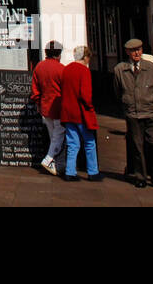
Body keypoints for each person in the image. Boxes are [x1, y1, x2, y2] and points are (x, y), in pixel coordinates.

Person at [112, 37, 153, 188]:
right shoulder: (120, 70)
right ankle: (140, 176)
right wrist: (127, 103)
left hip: (152, 113)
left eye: (139, 49)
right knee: (137, 147)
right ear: (127, 52)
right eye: (133, 51)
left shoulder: (151, 68)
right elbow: (117, 91)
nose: (136, 53)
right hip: (133, 114)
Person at [59, 44, 101, 182]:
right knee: (89, 142)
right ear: (86, 57)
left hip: (67, 112)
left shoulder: (66, 70)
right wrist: (90, 108)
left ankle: (70, 171)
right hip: (81, 113)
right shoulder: (84, 71)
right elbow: (86, 95)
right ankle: (93, 172)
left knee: (72, 143)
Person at [30, 40, 66, 175]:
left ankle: (55, 164)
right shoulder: (62, 69)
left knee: (53, 136)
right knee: (58, 136)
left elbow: (35, 89)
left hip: (44, 107)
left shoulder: (39, 67)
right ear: (58, 54)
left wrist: (38, 103)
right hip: (58, 108)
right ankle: (48, 159)